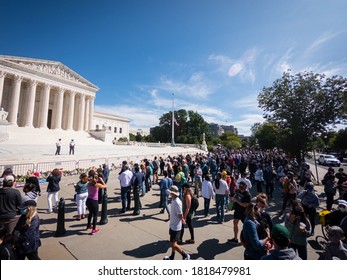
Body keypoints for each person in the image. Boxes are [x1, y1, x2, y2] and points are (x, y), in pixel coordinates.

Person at [163, 186, 190, 260]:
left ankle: (185, 255)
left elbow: (180, 214)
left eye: (171, 193)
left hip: (176, 226)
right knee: (173, 243)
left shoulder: (177, 202)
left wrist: (183, 220)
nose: (170, 194)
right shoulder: (173, 199)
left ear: (173, 193)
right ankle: (172, 257)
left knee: (173, 244)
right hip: (173, 224)